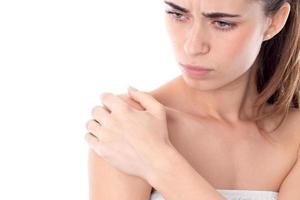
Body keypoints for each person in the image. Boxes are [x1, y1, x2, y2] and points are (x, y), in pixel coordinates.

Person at [85, 0, 300, 199]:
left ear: (274, 22)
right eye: (177, 14)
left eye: (222, 23)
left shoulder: (294, 135)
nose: (192, 46)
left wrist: (158, 162)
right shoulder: (131, 125)